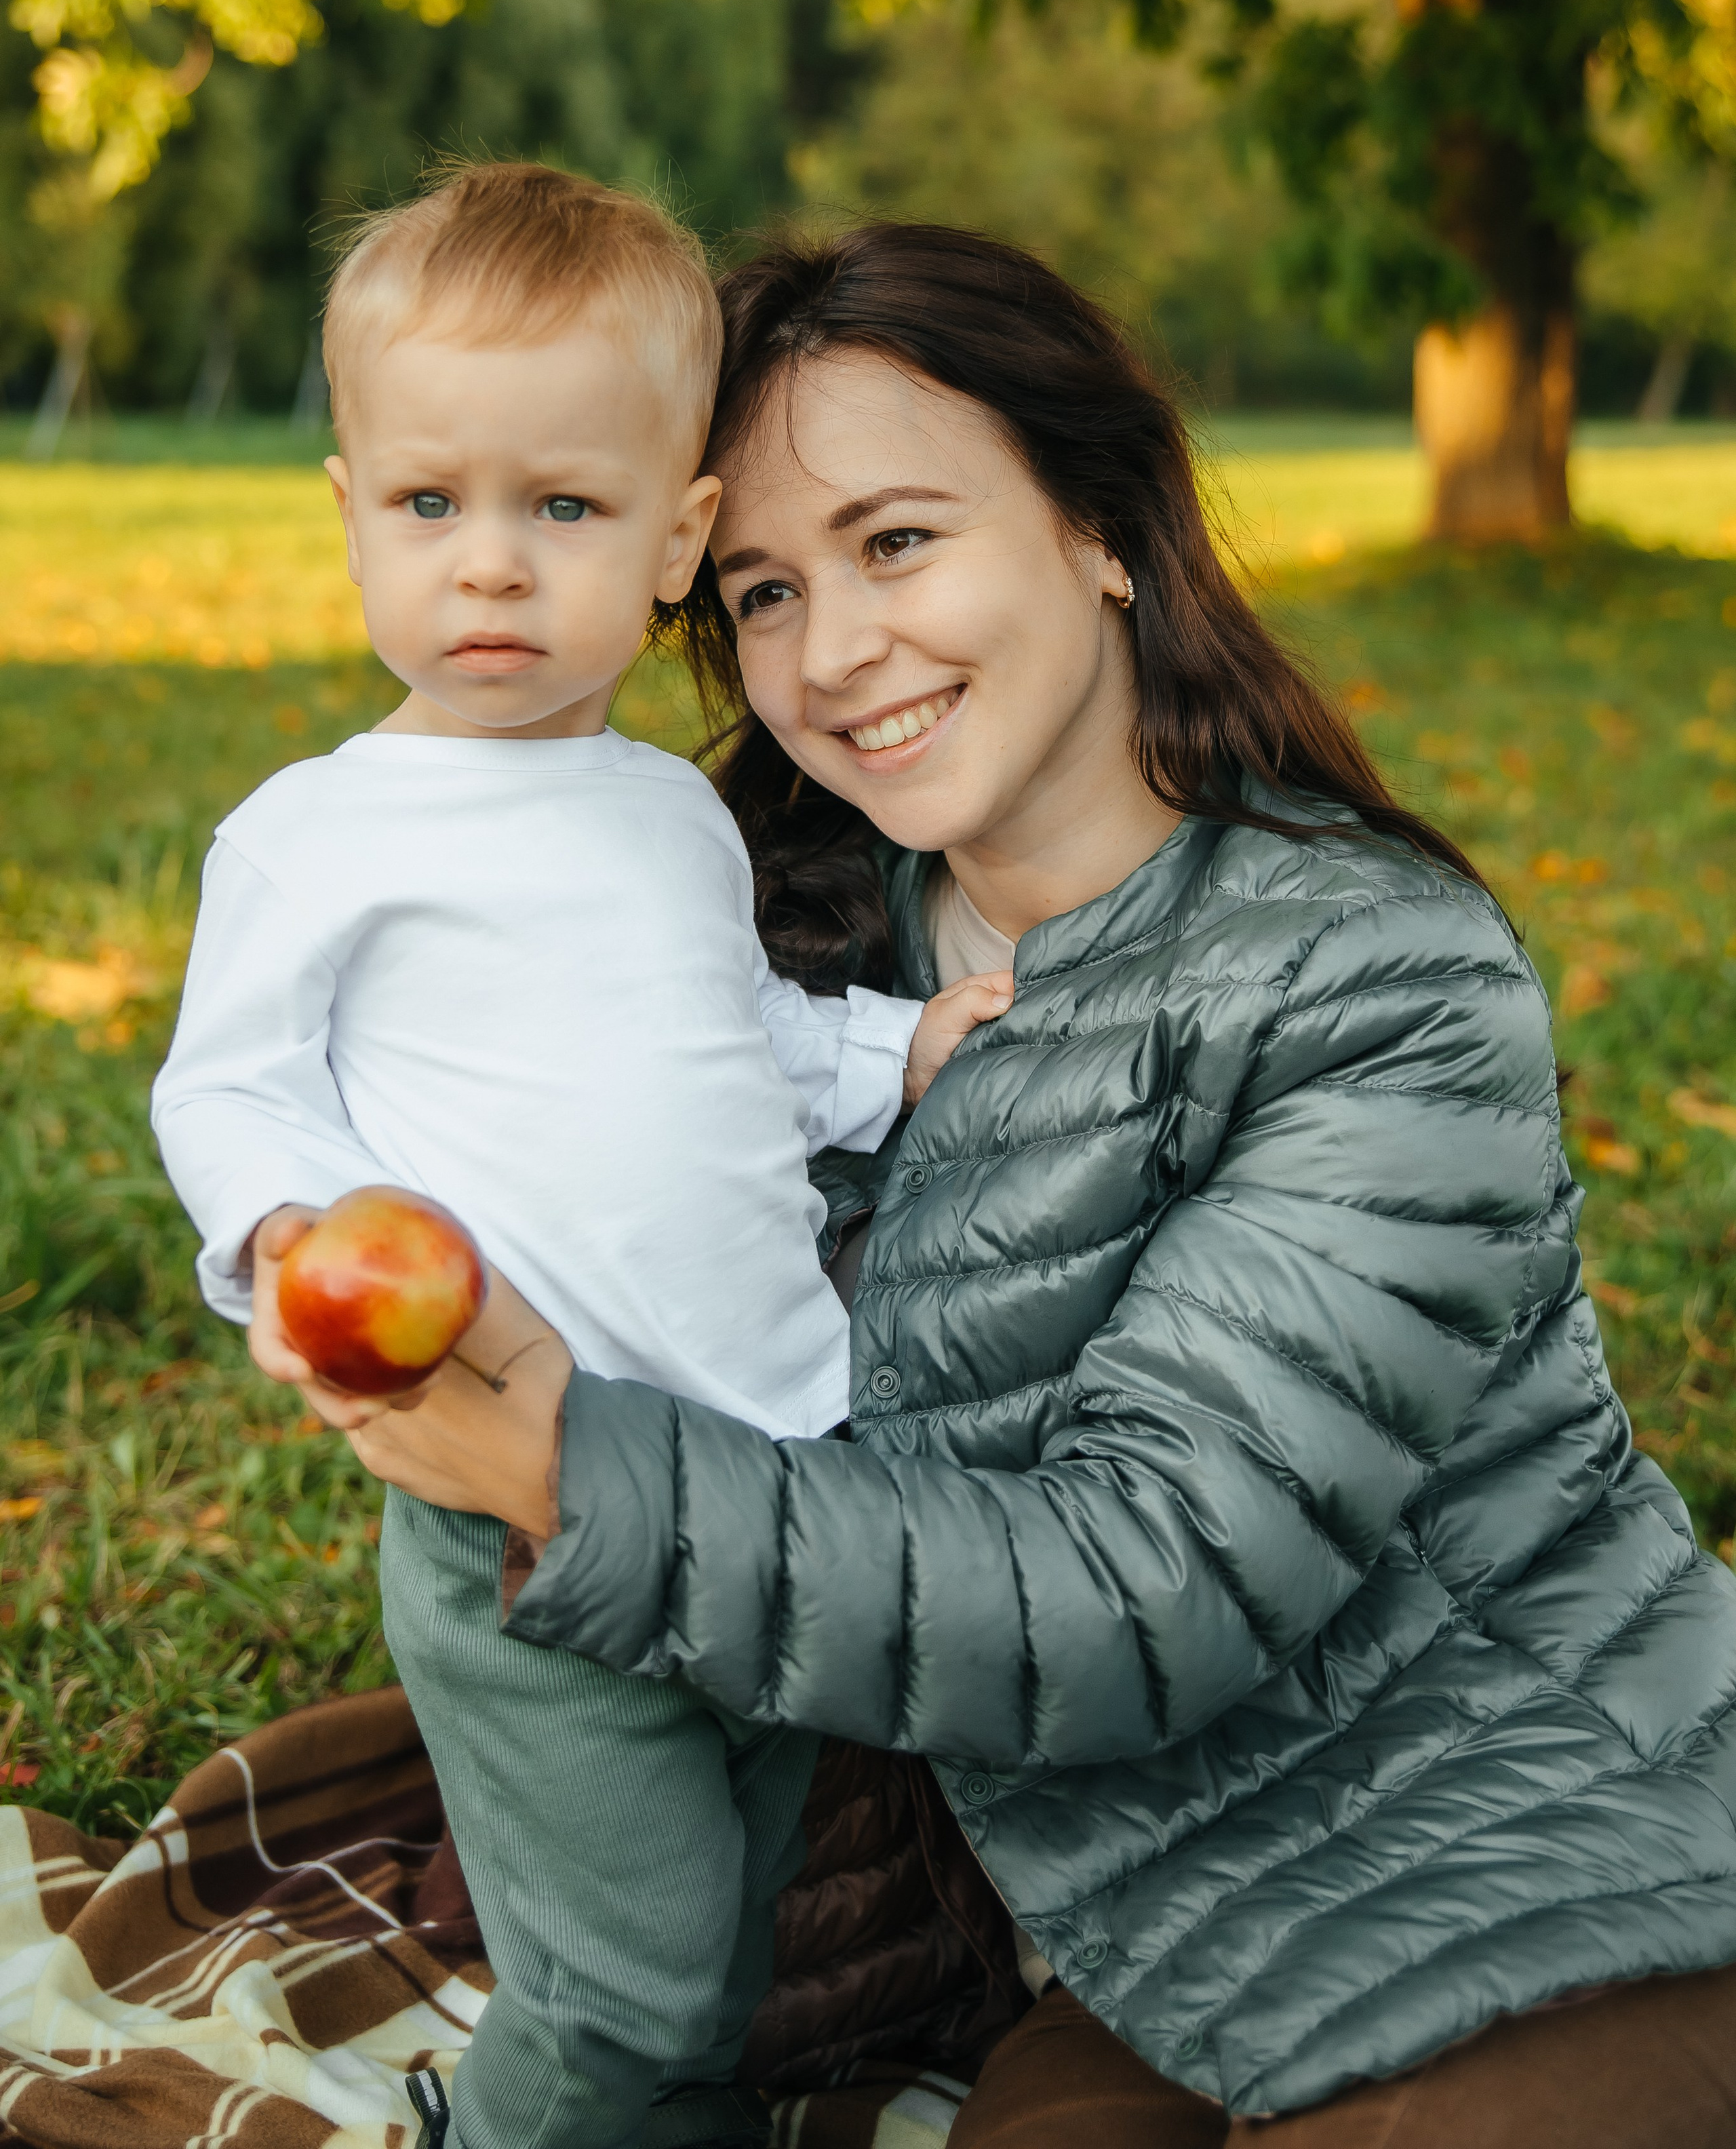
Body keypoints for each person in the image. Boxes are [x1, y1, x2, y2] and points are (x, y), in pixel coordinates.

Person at [284, 221, 1736, 2148]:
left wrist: (566, 1473)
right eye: (767, 591)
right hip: (1120, 1930)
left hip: (1526, 1855)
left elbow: (1150, 1590)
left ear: (1103, 527)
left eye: (897, 542)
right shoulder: (760, 950)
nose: (836, 653)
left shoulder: (1375, 983)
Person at [151, 169, 1011, 2149]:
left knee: (731, 1929)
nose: (489, 567)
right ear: (350, 513)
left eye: (562, 509)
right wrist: (288, 1229)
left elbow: (737, 1037)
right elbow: (228, 1085)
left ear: (678, 542)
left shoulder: (671, 819)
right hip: (522, 1506)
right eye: (428, 504)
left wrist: (898, 1048)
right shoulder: (320, 834)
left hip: (778, 1460)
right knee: (628, 1975)